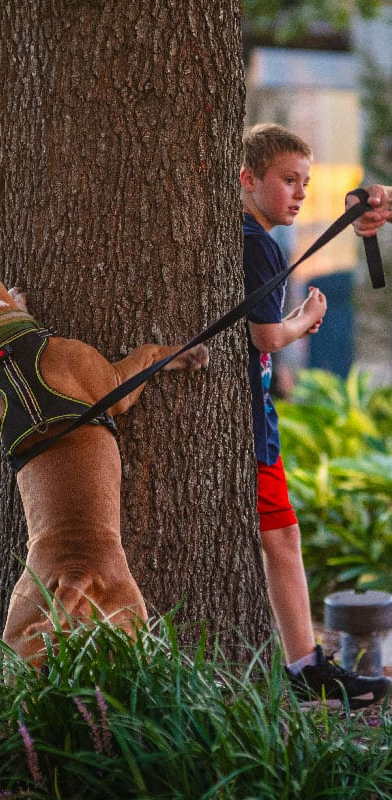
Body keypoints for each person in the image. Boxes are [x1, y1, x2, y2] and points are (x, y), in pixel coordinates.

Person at [241, 123, 390, 707]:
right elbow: (267, 334)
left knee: (282, 535)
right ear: (248, 179)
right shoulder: (258, 244)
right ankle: (305, 664)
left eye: (305, 182)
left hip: (255, 419)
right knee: (282, 536)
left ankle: (304, 659)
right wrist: (304, 319)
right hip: (251, 425)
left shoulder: (251, 237)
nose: (300, 193)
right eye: (288, 180)